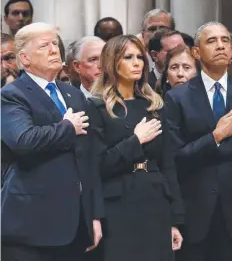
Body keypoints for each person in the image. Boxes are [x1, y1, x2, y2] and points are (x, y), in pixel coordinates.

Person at [165, 21, 232, 261]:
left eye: (225, 40)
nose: (221, 46)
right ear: (196, 52)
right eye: (211, 41)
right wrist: (215, 137)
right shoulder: (177, 98)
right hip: (194, 215)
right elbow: (174, 159)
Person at [1, 22, 103, 260]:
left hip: (75, 222)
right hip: (30, 224)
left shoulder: (73, 94)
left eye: (55, 44)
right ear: (24, 59)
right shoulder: (12, 95)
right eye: (44, 46)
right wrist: (67, 127)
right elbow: (23, 141)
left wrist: (94, 215)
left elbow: (88, 158)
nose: (53, 49)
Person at [85, 35, 184, 261]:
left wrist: (175, 220)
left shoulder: (154, 105)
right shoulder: (97, 106)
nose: (137, 62)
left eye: (140, 57)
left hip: (155, 201)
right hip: (118, 206)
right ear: (112, 62)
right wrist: (135, 141)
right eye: (128, 57)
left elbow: (168, 165)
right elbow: (96, 166)